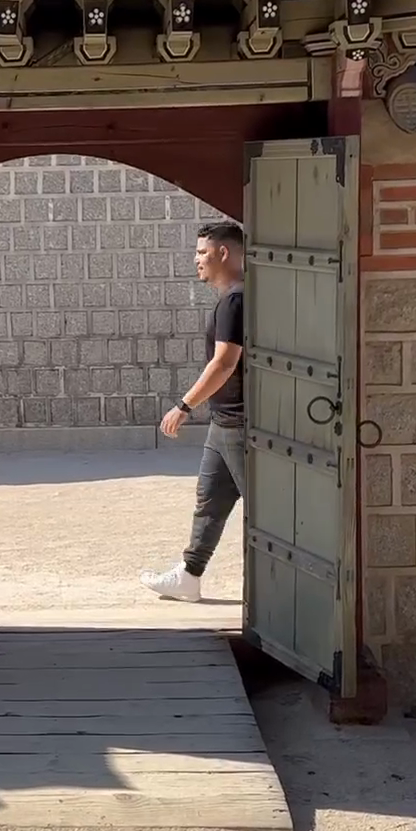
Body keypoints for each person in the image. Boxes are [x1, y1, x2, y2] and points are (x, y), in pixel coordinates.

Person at [140, 220, 245, 603]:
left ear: (224, 253)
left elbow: (224, 363)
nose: (196, 259)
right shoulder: (231, 299)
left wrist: (184, 406)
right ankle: (189, 576)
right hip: (224, 424)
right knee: (209, 503)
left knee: (266, 516)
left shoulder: (236, 301)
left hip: (240, 425)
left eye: (203, 252)